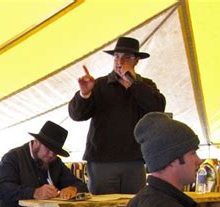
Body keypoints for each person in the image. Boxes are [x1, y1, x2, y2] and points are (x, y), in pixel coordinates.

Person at [68, 36, 166, 195]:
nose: (120, 61)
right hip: (102, 161)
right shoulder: (99, 84)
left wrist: (133, 84)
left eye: (126, 58)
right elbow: (76, 115)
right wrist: (84, 94)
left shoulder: (146, 86)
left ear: (136, 61)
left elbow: (157, 109)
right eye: (116, 57)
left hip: (134, 160)